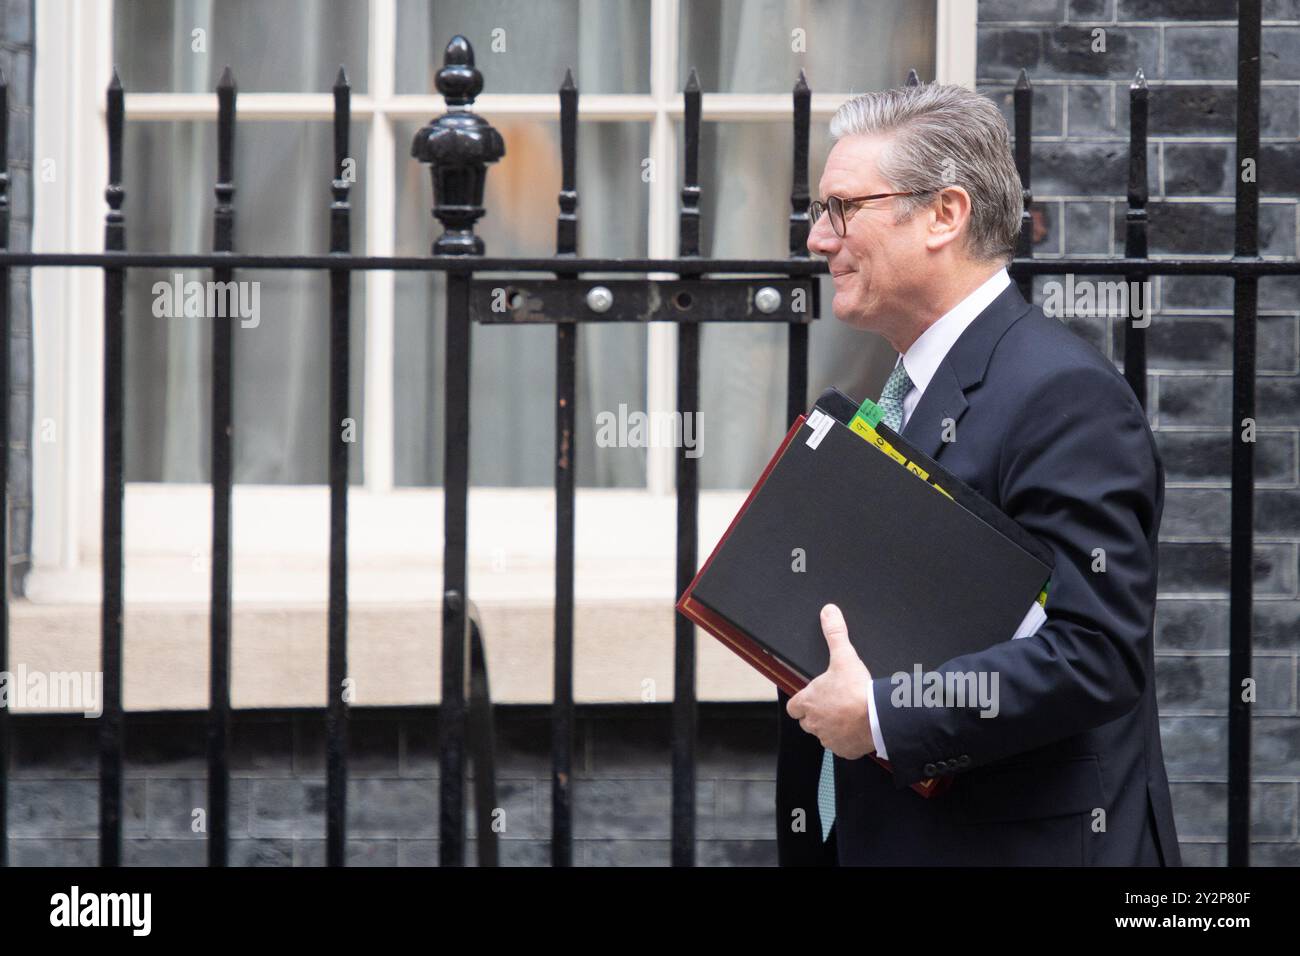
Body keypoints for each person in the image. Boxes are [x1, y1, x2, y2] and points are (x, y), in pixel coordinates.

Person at [778, 82, 1180, 866]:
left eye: (842, 209)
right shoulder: (900, 396)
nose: (819, 240)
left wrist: (888, 715)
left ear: (945, 214)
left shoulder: (1065, 395)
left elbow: (1095, 652)